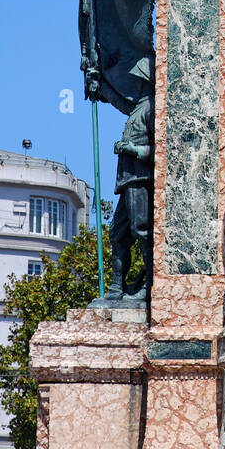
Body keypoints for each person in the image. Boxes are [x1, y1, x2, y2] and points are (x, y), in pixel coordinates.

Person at [94, 55, 154, 304]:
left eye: (138, 80)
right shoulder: (140, 107)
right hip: (127, 181)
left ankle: (151, 286)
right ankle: (117, 286)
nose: (135, 84)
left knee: (141, 231)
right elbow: (120, 101)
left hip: (140, 179)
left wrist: (132, 150)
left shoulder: (152, 108)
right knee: (118, 234)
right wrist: (100, 85)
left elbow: (161, 148)